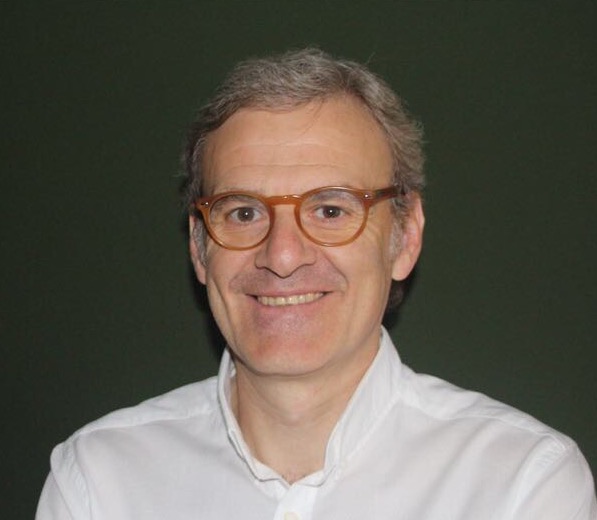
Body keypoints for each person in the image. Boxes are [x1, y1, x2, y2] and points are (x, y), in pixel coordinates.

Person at [36, 48, 596, 520]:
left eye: (331, 210)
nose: (282, 256)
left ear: (405, 238)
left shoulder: (522, 485)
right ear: (199, 248)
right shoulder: (99, 483)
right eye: (243, 212)